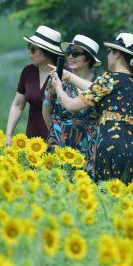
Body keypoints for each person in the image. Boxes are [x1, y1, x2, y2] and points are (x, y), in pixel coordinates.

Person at [51, 32, 133, 183]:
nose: (107, 55)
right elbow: (98, 90)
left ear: (117, 54)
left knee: (108, 199)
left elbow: (71, 106)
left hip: (111, 148)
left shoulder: (108, 80)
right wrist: (68, 76)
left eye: (110, 52)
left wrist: (58, 88)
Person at [42, 34, 101, 174]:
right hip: (58, 145)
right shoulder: (57, 79)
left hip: (87, 149)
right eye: (69, 52)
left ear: (88, 58)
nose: (70, 57)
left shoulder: (100, 84)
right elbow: (46, 110)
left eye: (75, 53)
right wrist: (55, 132)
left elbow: (101, 115)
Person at [5, 26, 64, 145]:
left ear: (46, 52)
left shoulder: (63, 75)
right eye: (29, 48)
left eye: (32, 49)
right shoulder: (28, 72)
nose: (29, 53)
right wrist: (8, 135)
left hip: (59, 142)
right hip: (32, 143)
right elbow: (17, 105)